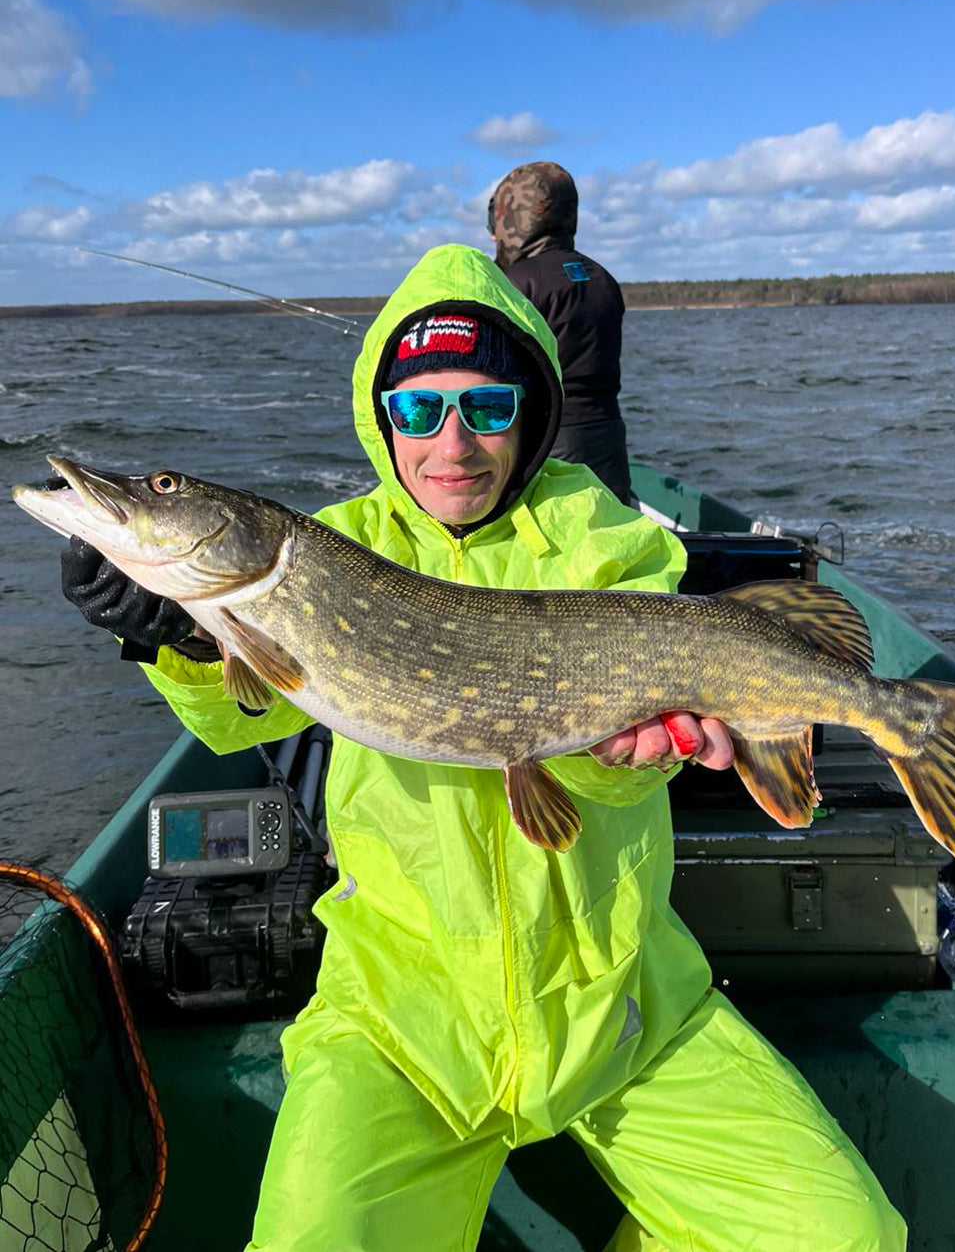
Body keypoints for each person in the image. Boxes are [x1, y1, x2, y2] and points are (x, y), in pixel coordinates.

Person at [61, 244, 905, 1251]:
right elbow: (251, 714)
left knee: (843, 1236)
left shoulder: (612, 544)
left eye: (486, 408)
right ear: (383, 422)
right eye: (419, 411)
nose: (451, 443)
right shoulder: (333, 547)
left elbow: (635, 745)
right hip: (402, 1018)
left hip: (621, 1002)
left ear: (532, 414)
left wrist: (621, 753)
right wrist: (182, 642)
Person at [489, 161, 634, 505]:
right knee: (608, 532)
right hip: (608, 435)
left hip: (550, 441)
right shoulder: (602, 277)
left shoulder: (516, 283)